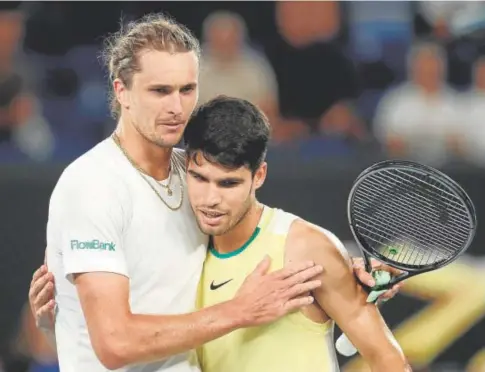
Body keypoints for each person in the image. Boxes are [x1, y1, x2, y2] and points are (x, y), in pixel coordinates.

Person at [28, 13, 402, 372]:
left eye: (187, 89)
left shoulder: (191, 169)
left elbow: (257, 229)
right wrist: (241, 310)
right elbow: (113, 344)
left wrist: (340, 269)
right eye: (160, 91)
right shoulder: (93, 185)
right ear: (121, 91)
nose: (176, 107)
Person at [185, 96, 410, 372]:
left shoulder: (303, 246)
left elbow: (390, 362)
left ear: (259, 176)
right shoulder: (185, 246)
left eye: (228, 183)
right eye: (199, 178)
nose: (210, 199)